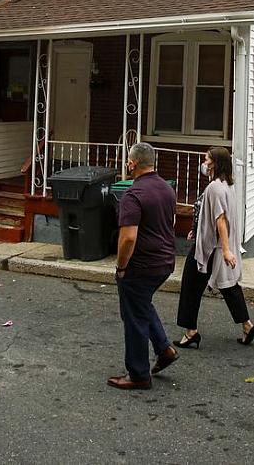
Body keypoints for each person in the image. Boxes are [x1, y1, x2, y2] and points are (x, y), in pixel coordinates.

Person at [108, 142, 179, 390]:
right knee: (142, 304)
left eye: (128, 161)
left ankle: (138, 374)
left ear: (132, 163)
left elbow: (128, 238)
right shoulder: (166, 189)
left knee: (134, 316)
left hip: (141, 265)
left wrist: (121, 266)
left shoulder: (132, 195)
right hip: (165, 261)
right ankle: (164, 349)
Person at [174, 146, 254, 349]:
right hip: (217, 246)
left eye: (206, 159)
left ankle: (190, 332)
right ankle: (248, 326)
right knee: (229, 286)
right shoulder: (227, 185)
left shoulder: (214, 187)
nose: (204, 163)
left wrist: (226, 249)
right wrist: (198, 229)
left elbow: (220, 219)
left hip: (209, 248)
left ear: (215, 163)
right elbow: (212, 215)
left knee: (190, 287)